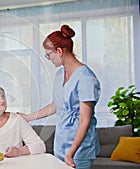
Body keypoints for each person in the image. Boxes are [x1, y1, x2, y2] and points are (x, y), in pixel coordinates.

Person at [19, 25, 100, 169]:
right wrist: (28, 117)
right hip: (61, 143)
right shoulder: (59, 75)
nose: (48, 59)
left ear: (59, 51)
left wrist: (71, 153)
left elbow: (84, 120)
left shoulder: (86, 79)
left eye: (48, 55)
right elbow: (56, 106)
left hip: (79, 150)